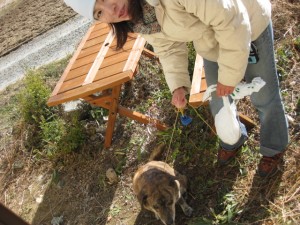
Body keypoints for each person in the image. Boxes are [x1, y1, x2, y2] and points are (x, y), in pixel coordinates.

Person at [63, 0, 289, 177]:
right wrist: (178, 85)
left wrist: (229, 77)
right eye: (99, 13)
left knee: (264, 96)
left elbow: (233, 20)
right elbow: (167, 44)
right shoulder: (138, 17)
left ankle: (273, 147)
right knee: (219, 102)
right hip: (211, 40)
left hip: (248, 22)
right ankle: (233, 139)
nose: (110, 10)